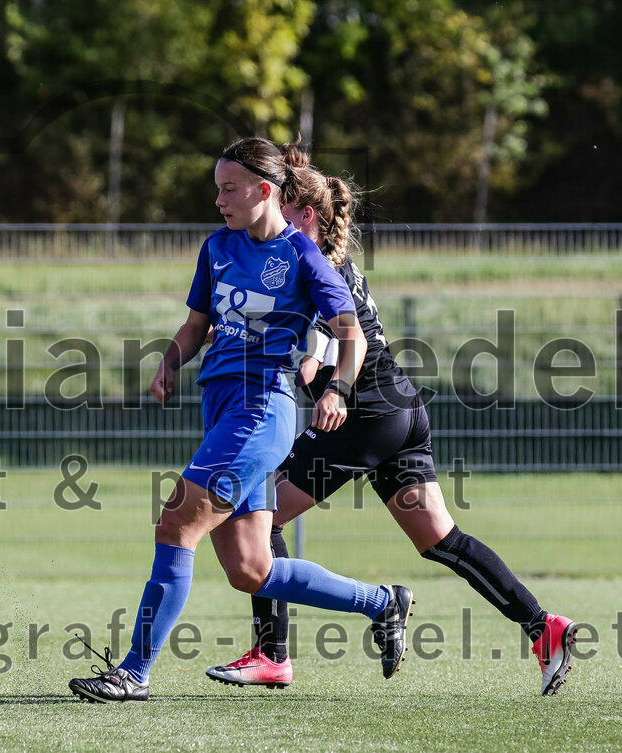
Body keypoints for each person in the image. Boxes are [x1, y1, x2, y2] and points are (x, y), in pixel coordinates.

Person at [205, 146, 577, 697]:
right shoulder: (332, 263)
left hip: (361, 417)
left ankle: (272, 653)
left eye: (286, 204)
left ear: (304, 213)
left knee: (261, 523)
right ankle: (542, 626)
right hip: (401, 411)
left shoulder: (303, 266)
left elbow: (312, 360)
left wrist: (256, 352)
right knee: (440, 539)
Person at [68, 137, 415, 704]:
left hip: (262, 409)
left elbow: (349, 333)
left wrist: (341, 391)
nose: (219, 200)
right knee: (250, 569)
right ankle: (382, 603)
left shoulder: (302, 256)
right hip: (221, 406)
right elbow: (196, 324)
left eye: (229, 189)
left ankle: (133, 672)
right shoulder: (217, 247)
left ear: (265, 190)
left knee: (176, 524)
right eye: (217, 188)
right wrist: (170, 361)